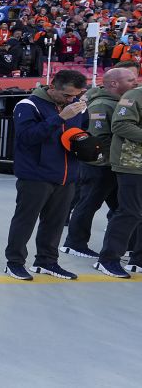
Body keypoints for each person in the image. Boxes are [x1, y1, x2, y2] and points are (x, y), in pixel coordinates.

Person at [4, 69, 88, 281]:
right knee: (25, 221)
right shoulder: (27, 105)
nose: (72, 99)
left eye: (76, 95)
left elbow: (78, 134)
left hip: (66, 175)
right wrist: (60, 118)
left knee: (56, 222)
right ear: (52, 87)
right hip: (36, 175)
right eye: (67, 95)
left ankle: (47, 262)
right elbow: (26, 138)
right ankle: (14, 263)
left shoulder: (77, 107)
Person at [60, 67, 136, 259]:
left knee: (122, 208)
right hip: (100, 166)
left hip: (112, 165)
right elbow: (99, 137)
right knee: (88, 204)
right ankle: (74, 243)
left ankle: (128, 244)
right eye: (130, 80)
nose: (135, 83)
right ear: (113, 83)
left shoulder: (118, 102)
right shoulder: (102, 104)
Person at [94, 79, 142, 278]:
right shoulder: (135, 95)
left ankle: (138, 260)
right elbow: (120, 126)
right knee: (129, 212)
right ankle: (108, 259)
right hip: (132, 163)